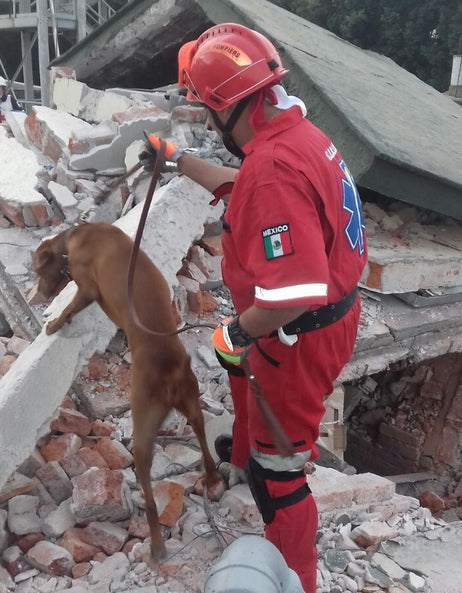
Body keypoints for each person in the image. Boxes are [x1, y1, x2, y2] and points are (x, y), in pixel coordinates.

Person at [144, 23, 367, 593]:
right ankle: (245, 454)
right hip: (318, 320)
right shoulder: (294, 135)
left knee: (281, 476)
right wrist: (177, 161)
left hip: (298, 336)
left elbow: (292, 294)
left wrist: (235, 332)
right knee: (238, 365)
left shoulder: (272, 169)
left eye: (204, 108)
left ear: (224, 106)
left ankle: (296, 576)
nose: (205, 121)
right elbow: (242, 185)